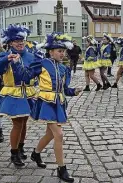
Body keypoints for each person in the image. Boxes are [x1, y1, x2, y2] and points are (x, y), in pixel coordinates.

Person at [29, 33, 82, 182]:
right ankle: (61, 169)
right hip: (46, 102)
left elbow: (65, 90)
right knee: (59, 134)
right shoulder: (43, 63)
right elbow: (27, 75)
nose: (62, 53)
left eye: (63, 51)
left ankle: (36, 153)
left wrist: (74, 91)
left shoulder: (64, 69)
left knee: (51, 134)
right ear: (50, 51)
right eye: (59, 50)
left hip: (58, 103)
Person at [0, 24, 36, 166]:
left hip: (27, 93)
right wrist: (6, 59)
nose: (20, 42)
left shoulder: (30, 55)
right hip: (13, 93)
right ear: (10, 43)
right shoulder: (5, 55)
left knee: (24, 122)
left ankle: (21, 147)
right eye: (16, 41)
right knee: (17, 123)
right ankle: (14, 152)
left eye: (21, 40)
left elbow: (35, 72)